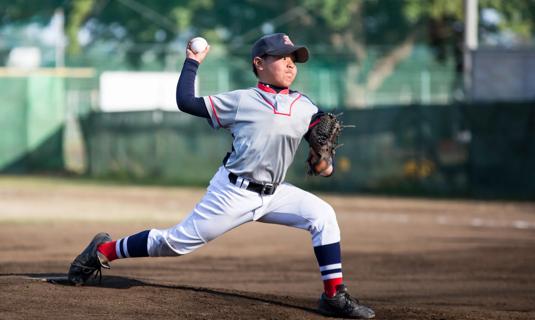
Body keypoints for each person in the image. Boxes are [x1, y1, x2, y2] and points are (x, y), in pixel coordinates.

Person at [68, 33, 375, 319]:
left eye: (293, 58)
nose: (290, 63)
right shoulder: (241, 101)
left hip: (276, 193)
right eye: (282, 57)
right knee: (175, 243)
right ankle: (103, 250)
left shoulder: (305, 106)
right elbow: (186, 102)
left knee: (322, 215)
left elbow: (321, 152)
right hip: (233, 192)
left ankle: (334, 295)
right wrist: (192, 62)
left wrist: (325, 163)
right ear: (259, 64)